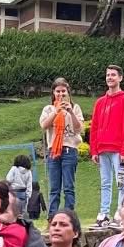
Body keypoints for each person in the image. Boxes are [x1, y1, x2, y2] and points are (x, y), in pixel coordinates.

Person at [89, 65, 124, 229]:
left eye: (113, 75)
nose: (110, 77)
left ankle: (121, 214)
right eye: (108, 75)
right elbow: (94, 127)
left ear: (120, 78)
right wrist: (94, 150)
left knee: (121, 182)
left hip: (118, 150)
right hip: (102, 150)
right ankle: (104, 215)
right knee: (105, 183)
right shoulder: (100, 102)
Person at [39, 78, 83, 219]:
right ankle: (52, 218)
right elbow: (44, 125)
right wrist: (56, 111)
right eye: (58, 91)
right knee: (54, 188)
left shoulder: (75, 108)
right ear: (53, 93)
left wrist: (70, 112)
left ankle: (69, 217)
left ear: (68, 92)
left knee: (69, 187)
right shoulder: (48, 109)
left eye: (63, 91)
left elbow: (79, 129)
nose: (60, 94)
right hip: (53, 150)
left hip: (70, 149)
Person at [6, 155, 33, 219]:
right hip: (23, 193)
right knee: (21, 212)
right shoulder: (28, 171)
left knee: (12, 210)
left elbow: (8, 179)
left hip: (13, 192)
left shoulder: (14, 168)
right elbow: (29, 184)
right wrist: (28, 195)